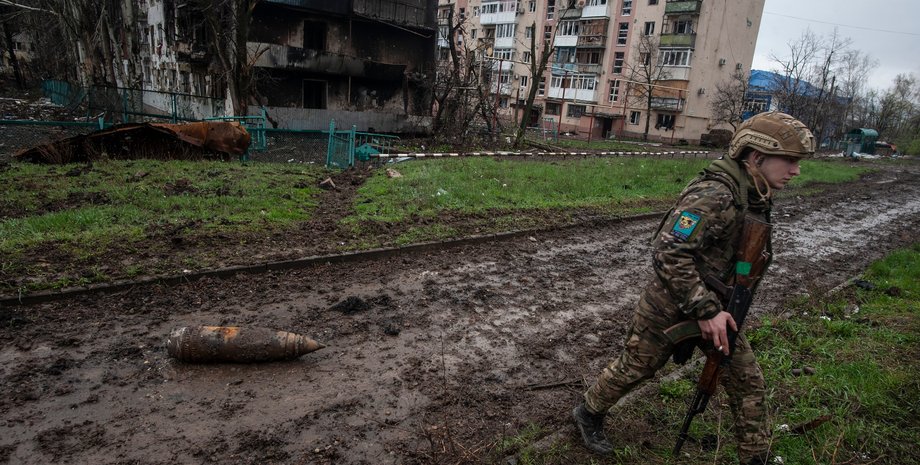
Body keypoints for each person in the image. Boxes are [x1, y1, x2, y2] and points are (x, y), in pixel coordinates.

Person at [572, 112, 815, 464]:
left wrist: (729, 298)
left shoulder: (753, 193)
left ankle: (755, 457)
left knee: (746, 380)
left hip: (717, 308)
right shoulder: (715, 194)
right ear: (757, 156)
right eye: (790, 160)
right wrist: (706, 310)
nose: (796, 171)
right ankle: (588, 412)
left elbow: (741, 254)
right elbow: (667, 252)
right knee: (637, 366)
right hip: (670, 305)